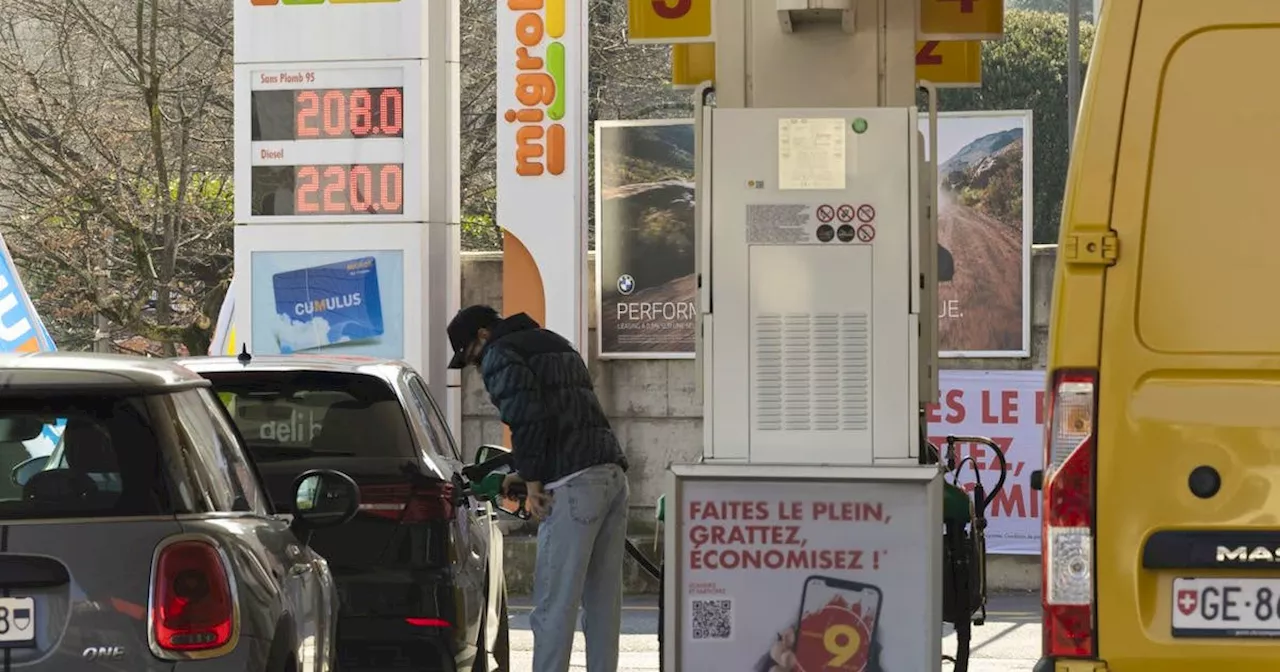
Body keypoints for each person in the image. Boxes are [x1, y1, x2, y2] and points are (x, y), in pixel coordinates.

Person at [446, 304, 630, 672]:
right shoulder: (555, 342)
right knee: (603, 605)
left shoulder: (500, 353)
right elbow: (566, 416)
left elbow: (527, 418)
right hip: (610, 475)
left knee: (553, 607)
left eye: (471, 358)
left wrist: (532, 485)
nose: (476, 367)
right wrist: (524, 472)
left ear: (483, 335)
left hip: (574, 484)